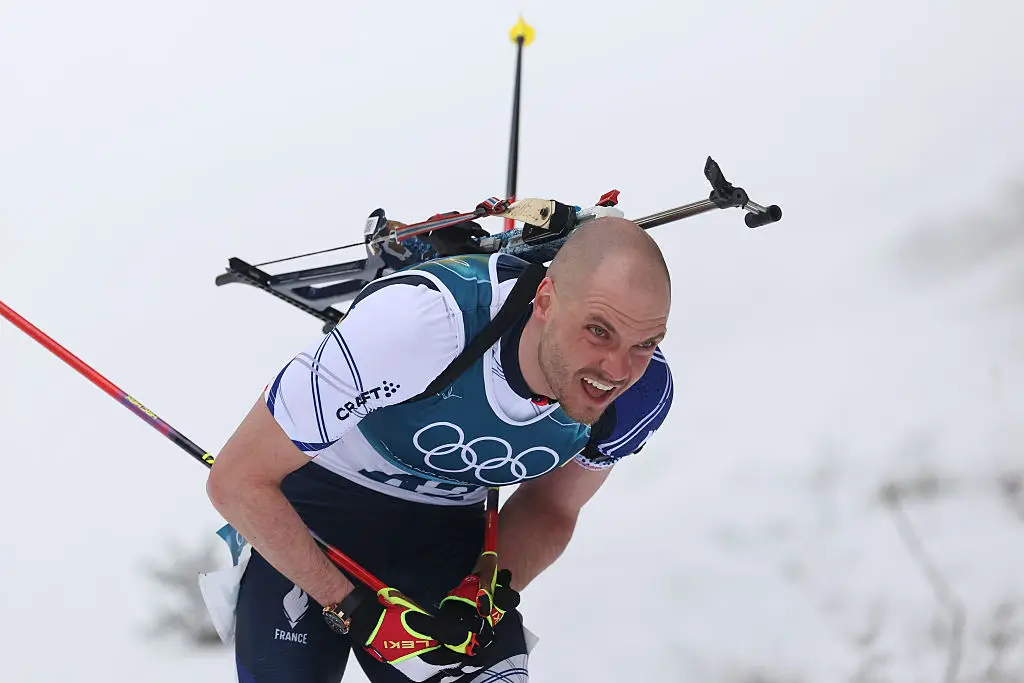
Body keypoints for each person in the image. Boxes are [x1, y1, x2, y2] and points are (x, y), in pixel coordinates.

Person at [206, 216, 674, 683]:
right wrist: (353, 608)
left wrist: (484, 588)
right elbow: (238, 481)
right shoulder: (420, 325)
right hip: (314, 519)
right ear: (546, 300)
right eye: (598, 331)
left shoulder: (639, 393)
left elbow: (553, 507)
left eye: (646, 342)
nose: (617, 368)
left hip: (446, 544)